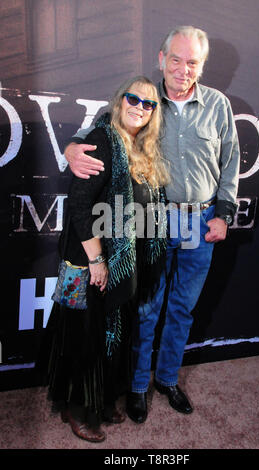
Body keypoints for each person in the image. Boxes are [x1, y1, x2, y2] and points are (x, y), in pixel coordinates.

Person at [64, 26, 240, 424]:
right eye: (175, 60)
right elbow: (93, 132)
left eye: (192, 62)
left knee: (183, 310)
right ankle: (138, 386)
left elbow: (230, 160)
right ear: (161, 59)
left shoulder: (218, 105)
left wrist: (224, 213)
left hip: (200, 222)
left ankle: (167, 379)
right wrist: (71, 147)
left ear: (202, 66)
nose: (182, 69)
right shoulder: (141, 98)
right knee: (146, 308)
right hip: (153, 222)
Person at [37, 75, 168, 442]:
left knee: (112, 335)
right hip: (87, 260)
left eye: (148, 104)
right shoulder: (99, 140)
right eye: (133, 99)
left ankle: (102, 397)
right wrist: (97, 261)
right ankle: (77, 409)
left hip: (121, 262)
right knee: (86, 337)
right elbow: (79, 206)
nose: (139, 107)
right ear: (119, 99)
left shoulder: (141, 149)